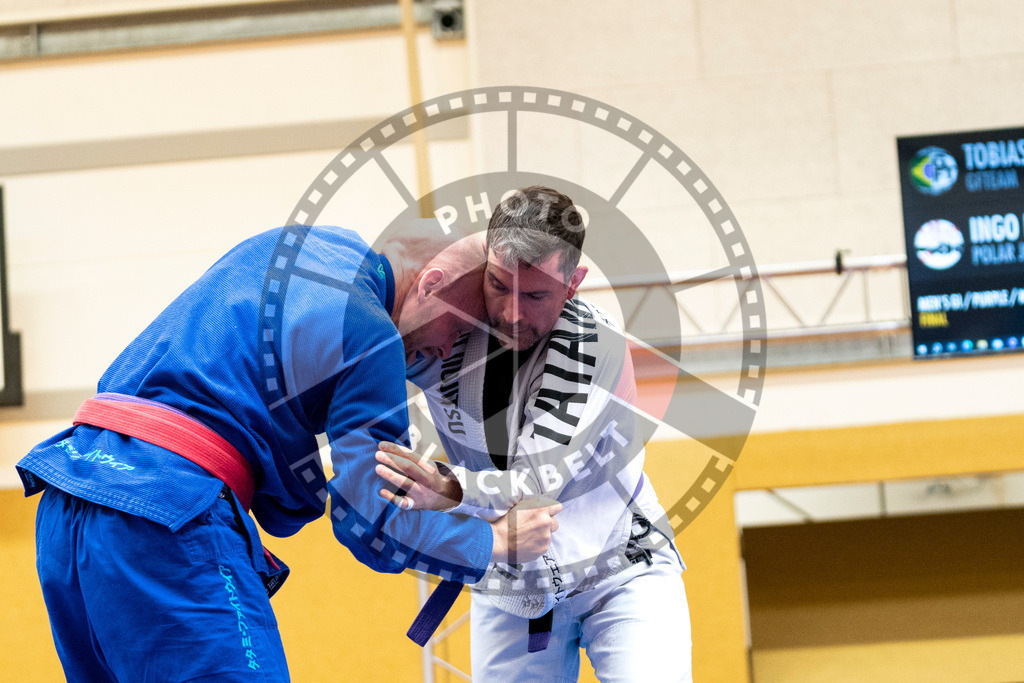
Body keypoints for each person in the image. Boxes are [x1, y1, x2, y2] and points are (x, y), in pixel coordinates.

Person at [16, 219, 561, 681]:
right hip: (165, 511)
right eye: (459, 330)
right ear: (432, 282)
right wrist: (491, 541)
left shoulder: (293, 245)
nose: (446, 353)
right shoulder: (371, 334)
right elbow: (370, 524)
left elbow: (249, 409)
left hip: (70, 500)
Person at [376, 187, 692, 681]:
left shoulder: (590, 345)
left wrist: (444, 487)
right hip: (512, 577)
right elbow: (366, 360)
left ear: (573, 283)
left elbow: (533, 485)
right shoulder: (456, 323)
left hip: (620, 567)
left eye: (537, 294)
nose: (512, 313)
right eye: (499, 286)